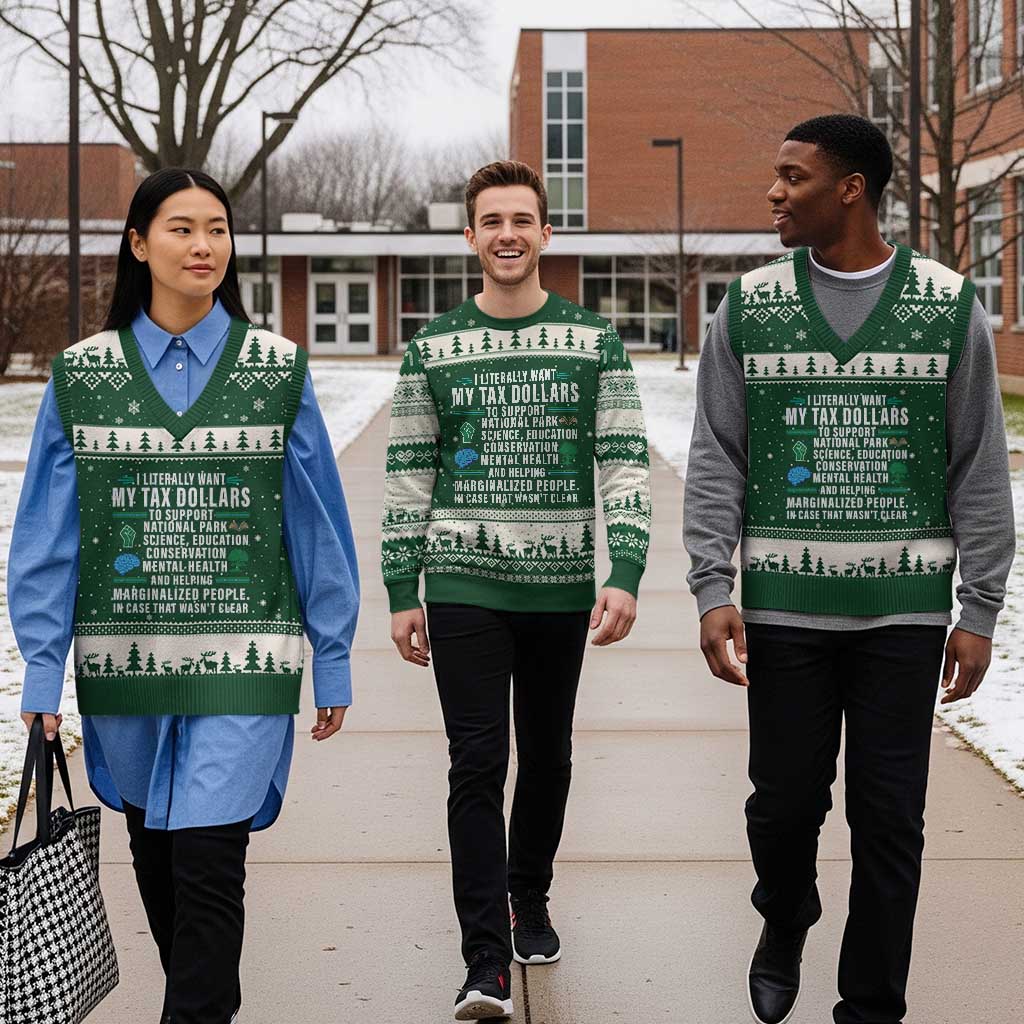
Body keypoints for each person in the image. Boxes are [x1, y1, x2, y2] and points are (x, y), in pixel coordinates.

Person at [684, 113, 1015, 1024]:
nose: (774, 192)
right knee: (782, 809)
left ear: (851, 189)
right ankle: (784, 914)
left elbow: (977, 463)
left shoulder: (947, 305)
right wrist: (713, 586)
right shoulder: (749, 305)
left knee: (889, 823)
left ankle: (871, 1005)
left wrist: (980, 608)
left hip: (904, 617)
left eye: (793, 176)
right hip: (786, 612)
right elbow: (718, 453)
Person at [11, 168, 359, 1024]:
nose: (203, 246)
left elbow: (315, 522)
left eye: (216, 229)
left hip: (244, 660)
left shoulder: (276, 371)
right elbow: (47, 537)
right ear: (138, 244)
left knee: (210, 862)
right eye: (180, 229)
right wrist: (42, 676)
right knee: (159, 860)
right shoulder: (82, 376)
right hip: (123, 664)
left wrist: (334, 654)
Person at [381, 160, 652, 1021]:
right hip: (463, 579)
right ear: (469, 236)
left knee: (549, 753)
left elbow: (623, 460)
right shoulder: (433, 349)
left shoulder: (592, 341)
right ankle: (484, 961)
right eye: (491, 220)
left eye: (522, 220)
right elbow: (407, 475)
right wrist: (401, 586)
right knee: (477, 761)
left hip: (561, 587)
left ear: (546, 233)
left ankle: (527, 895)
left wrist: (627, 570)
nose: (507, 234)